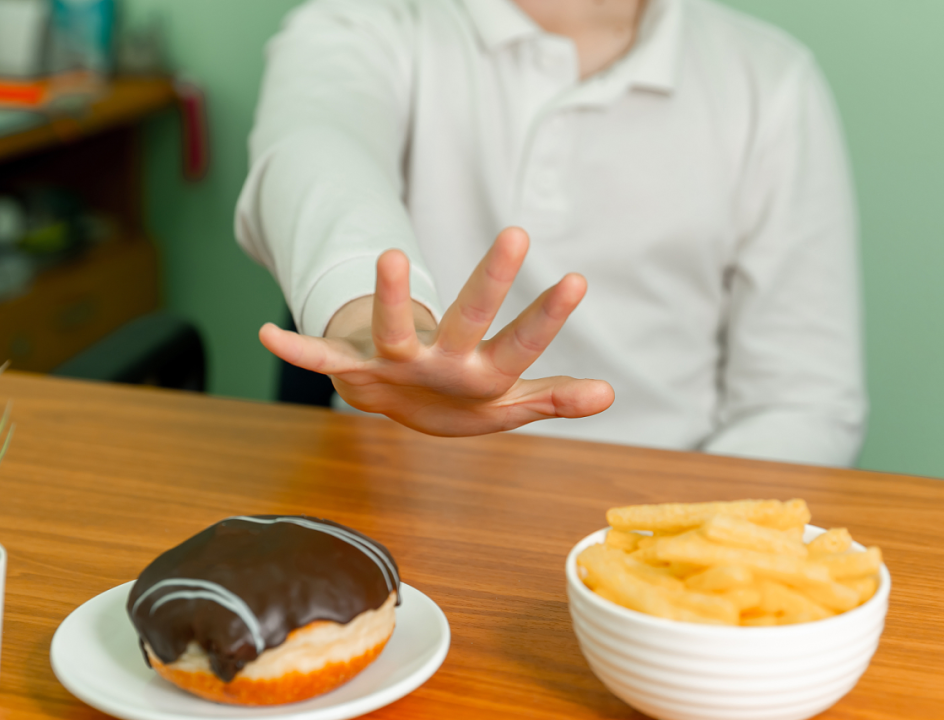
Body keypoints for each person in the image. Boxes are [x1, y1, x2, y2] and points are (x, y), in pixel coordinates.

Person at [236, 0, 867, 466]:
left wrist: (682, 554)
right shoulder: (371, 24)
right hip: (391, 509)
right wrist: (364, 317)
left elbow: (802, 402)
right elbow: (315, 147)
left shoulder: (770, 83)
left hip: (666, 517)